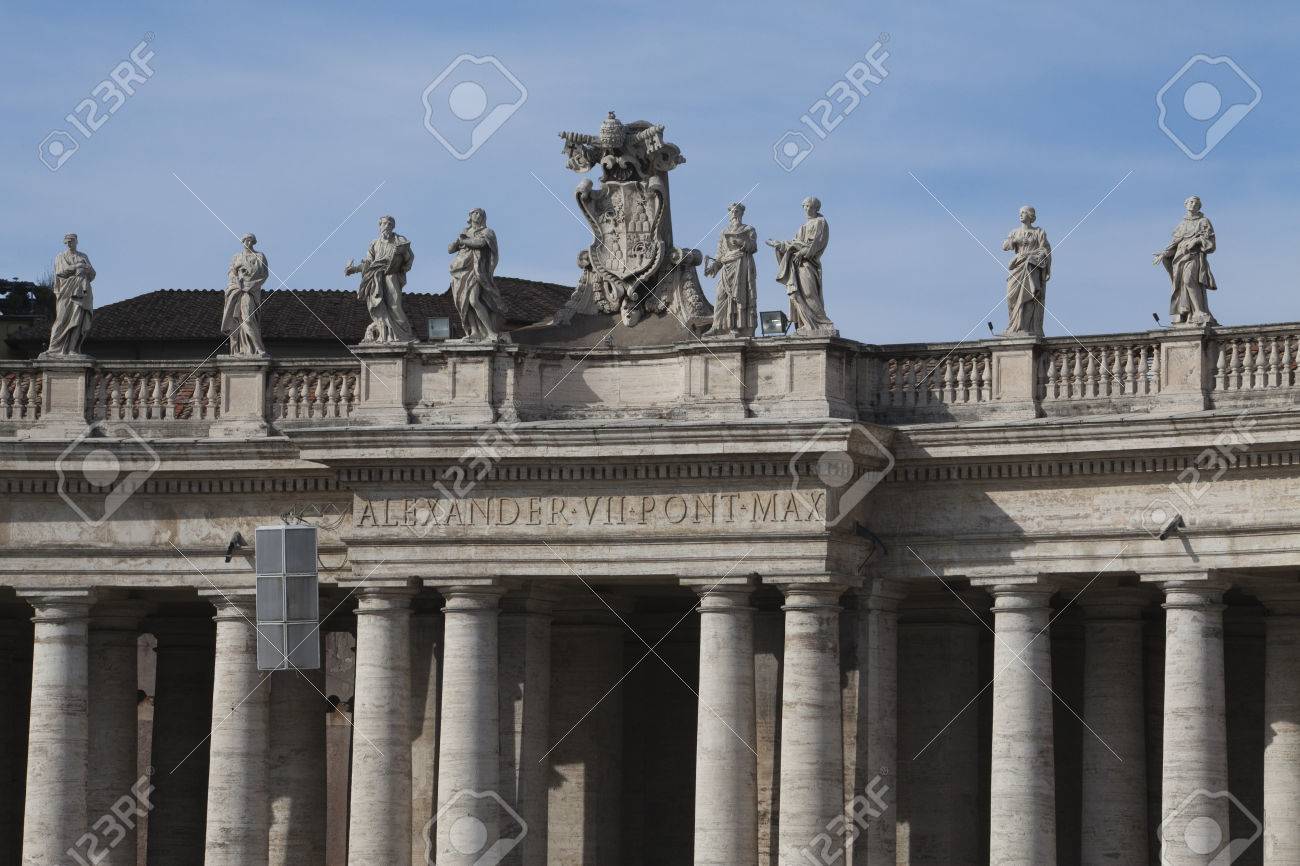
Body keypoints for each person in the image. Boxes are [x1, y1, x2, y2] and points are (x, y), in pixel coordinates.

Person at [767, 197, 835, 335]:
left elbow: (817, 243)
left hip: (809, 263)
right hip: (797, 265)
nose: (807, 209)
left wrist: (802, 252)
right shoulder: (802, 227)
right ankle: (806, 323)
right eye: (805, 206)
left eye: (810, 206)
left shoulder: (820, 222)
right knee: (797, 294)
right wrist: (779, 245)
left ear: (816, 208)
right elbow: (793, 244)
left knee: (809, 293)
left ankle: (822, 323)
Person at [345, 215, 416, 343]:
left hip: (392, 274)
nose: (387, 226)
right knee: (379, 305)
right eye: (384, 223)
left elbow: (409, 257)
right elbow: (368, 263)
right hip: (376, 276)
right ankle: (386, 333)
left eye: (390, 224)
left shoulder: (400, 240)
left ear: (393, 227)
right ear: (380, 226)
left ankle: (405, 335)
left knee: (395, 305)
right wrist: (354, 269)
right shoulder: (374, 243)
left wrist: (404, 264)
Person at [1154, 195, 1218, 326]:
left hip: (1194, 256)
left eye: (1196, 203)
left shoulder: (1203, 222)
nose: (1193, 204)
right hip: (1179, 259)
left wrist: (1197, 240)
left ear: (1199, 206)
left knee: (1189, 280)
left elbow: (1210, 243)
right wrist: (1165, 254)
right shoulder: (1181, 225)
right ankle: (1187, 312)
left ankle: (1199, 311)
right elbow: (1175, 246)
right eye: (1191, 202)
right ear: (1186, 204)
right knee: (1181, 284)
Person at [447, 208, 507, 341]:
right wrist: (458, 241)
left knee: (473, 299)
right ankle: (475, 331)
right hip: (459, 270)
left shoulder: (487, 232)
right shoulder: (465, 231)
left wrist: (463, 241)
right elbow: (450, 249)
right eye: (475, 212)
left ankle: (490, 332)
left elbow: (480, 243)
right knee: (465, 303)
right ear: (470, 216)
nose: (478, 215)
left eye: (481, 213)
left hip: (476, 269)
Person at [705, 202, 758, 337]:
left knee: (739, 296)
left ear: (741, 213)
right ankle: (717, 326)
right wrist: (714, 267)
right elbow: (720, 254)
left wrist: (741, 242)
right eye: (732, 211)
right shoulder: (723, 232)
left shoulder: (748, 229)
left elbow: (753, 246)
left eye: (737, 211)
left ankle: (736, 327)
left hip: (741, 264)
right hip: (726, 265)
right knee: (720, 295)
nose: (734, 213)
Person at [1002, 206, 1051, 337]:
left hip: (1031, 267)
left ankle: (1025, 327)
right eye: (1020, 213)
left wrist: (1040, 258)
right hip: (1018, 266)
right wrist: (1016, 240)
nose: (1021, 215)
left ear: (1030, 216)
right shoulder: (1015, 232)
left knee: (1029, 296)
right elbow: (1004, 246)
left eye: (1024, 212)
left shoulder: (1039, 232)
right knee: (1011, 297)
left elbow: (1045, 250)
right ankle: (1013, 325)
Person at [45, 233, 95, 356]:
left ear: (76, 241)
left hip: (82, 291)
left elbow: (93, 274)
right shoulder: (60, 257)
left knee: (78, 319)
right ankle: (54, 348)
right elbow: (60, 272)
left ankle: (72, 348)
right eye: (67, 242)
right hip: (66, 291)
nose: (69, 243)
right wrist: (77, 266)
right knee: (61, 319)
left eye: (71, 241)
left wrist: (87, 269)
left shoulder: (83, 256)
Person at [221, 233, 269, 356]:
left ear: (254, 242)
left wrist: (250, 284)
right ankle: (241, 349)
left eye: (251, 241)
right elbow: (231, 273)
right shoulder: (237, 257)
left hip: (250, 291)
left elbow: (264, 274)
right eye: (246, 240)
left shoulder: (259, 256)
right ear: (242, 242)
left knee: (247, 318)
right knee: (238, 319)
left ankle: (258, 348)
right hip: (238, 289)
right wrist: (237, 274)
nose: (248, 243)